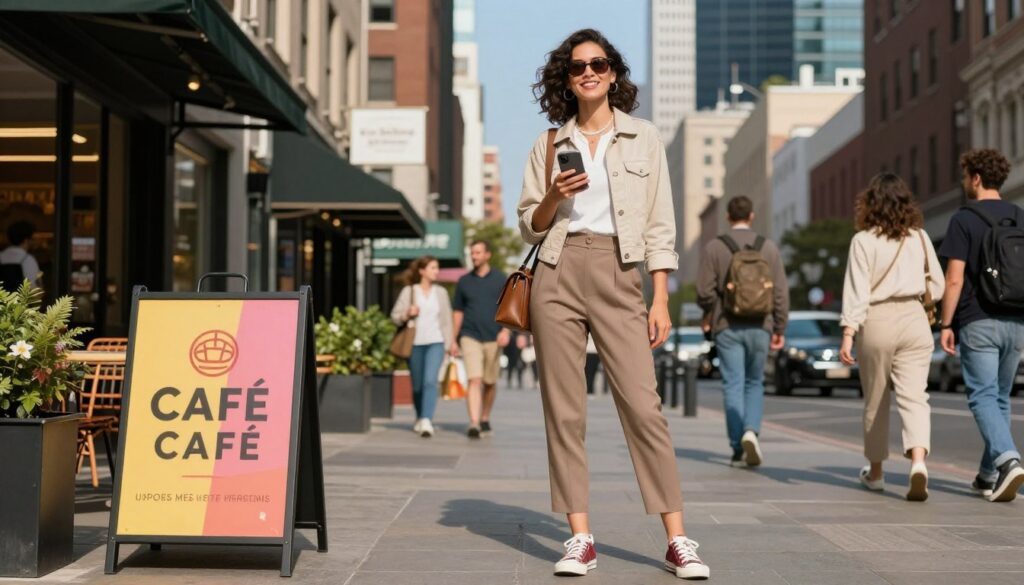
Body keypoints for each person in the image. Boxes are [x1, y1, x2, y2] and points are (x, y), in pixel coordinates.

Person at [518, 28, 709, 580]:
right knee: (564, 408)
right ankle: (580, 537)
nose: (589, 73)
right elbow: (529, 227)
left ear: (614, 74)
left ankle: (678, 539)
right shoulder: (547, 143)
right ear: (567, 78)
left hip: (620, 271)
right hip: (557, 269)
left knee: (643, 405)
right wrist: (555, 194)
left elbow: (660, 222)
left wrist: (661, 295)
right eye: (578, 67)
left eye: (598, 64)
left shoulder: (643, 138)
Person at [837, 173, 944, 501]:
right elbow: (937, 285)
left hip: (878, 319)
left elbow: (857, 292)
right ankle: (918, 462)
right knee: (916, 396)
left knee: (876, 400)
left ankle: (877, 473)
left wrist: (848, 333)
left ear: (870, 203)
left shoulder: (863, 241)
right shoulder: (920, 237)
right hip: (914, 319)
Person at [938, 149, 1024, 502]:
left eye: (965, 177)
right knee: (999, 397)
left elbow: (954, 280)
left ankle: (1008, 460)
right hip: (1016, 320)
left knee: (983, 395)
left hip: (978, 320)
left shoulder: (963, 219)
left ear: (975, 178)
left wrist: (946, 323)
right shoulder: (1019, 216)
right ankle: (989, 476)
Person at [696, 196, 789, 469]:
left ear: (727, 217)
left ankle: (738, 447)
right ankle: (752, 430)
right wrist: (780, 326)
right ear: (751, 216)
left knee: (733, 383)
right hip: (761, 326)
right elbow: (781, 291)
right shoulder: (768, 248)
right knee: (755, 382)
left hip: (727, 326)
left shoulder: (715, 247)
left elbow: (704, 292)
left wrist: (709, 313)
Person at [390, 256, 453, 438]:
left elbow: (447, 320)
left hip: (436, 342)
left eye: (437, 268)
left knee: (430, 381)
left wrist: (449, 344)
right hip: (414, 344)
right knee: (417, 385)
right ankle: (419, 417)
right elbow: (395, 316)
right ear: (422, 271)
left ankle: (426, 420)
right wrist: (407, 313)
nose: (436, 271)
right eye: (433, 268)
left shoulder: (441, 293)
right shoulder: (409, 291)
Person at [452, 240, 509, 438]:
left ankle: (485, 417)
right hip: (470, 335)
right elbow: (458, 311)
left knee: (490, 382)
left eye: (477, 253)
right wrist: (453, 339)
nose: (474, 256)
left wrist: (506, 331)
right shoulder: (464, 281)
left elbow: (508, 308)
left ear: (487, 255)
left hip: (494, 336)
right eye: (472, 253)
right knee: (474, 379)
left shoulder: (501, 278)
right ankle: (474, 422)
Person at [0, 221, 41, 292]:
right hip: (20, 302)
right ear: (26, 240)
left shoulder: (1, 256)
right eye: (32, 238)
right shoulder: (28, 259)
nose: (34, 241)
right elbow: (34, 289)